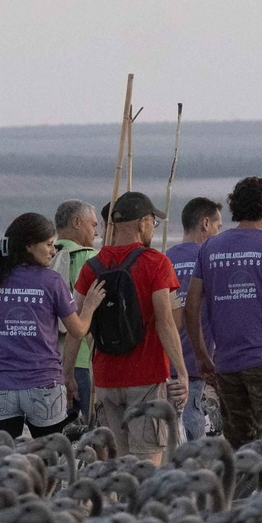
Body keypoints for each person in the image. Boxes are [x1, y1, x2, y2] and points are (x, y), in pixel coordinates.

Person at [184, 177, 262, 448]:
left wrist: (202, 354)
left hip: (226, 364)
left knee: (241, 448)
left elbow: (191, 307)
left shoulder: (209, 248)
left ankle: (243, 491)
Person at [67, 191, 189, 463]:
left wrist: (68, 375)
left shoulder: (92, 266)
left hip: (106, 379)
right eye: (152, 223)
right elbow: (166, 321)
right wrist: (181, 371)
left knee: (117, 461)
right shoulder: (156, 263)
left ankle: (120, 506)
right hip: (146, 378)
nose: (152, 228)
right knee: (148, 461)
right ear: (143, 223)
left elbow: (76, 325)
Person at [0, 213, 104, 440]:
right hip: (43, 384)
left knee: (1, 463)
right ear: (29, 245)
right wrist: (89, 306)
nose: (53, 251)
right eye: (48, 244)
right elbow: (77, 330)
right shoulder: (51, 281)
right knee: (48, 459)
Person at [164, 197, 223, 440]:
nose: (220, 232)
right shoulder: (211, 259)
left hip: (166, 360)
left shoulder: (165, 258)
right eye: (219, 226)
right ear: (205, 223)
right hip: (197, 359)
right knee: (193, 419)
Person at [51, 200, 100, 420]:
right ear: (77, 222)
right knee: (98, 429)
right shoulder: (90, 259)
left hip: (50, 360)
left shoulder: (45, 258)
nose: (96, 232)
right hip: (84, 359)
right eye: (93, 225)